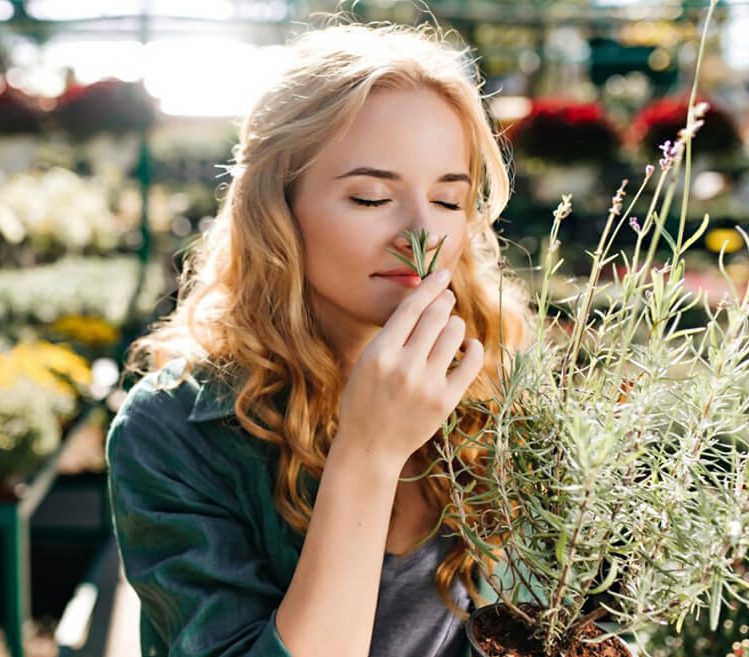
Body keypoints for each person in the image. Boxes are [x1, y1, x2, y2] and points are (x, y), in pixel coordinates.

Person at [106, 21, 534, 657]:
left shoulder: (500, 379)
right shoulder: (172, 430)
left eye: (449, 201)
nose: (419, 232)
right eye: (369, 197)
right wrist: (368, 452)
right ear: (277, 209)